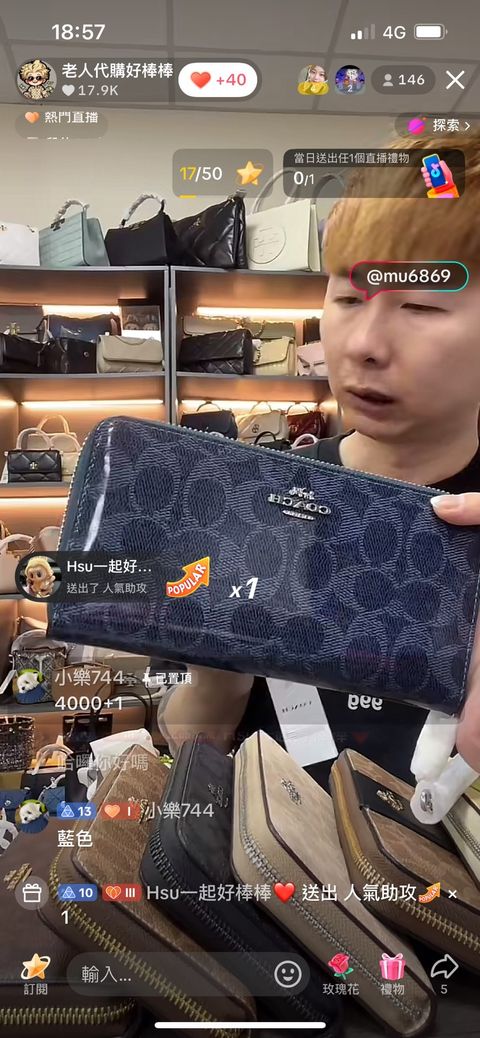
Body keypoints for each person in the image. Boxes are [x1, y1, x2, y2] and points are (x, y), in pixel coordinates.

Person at [158, 131, 480, 788]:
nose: (364, 344)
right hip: (274, 842)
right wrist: (216, 675)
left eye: (421, 305)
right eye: (349, 298)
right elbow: (198, 744)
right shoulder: (259, 497)